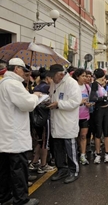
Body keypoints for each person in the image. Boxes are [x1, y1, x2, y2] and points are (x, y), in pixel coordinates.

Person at [0, 58, 41, 205]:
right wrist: (35, 97)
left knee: (4, 169)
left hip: (5, 134)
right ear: (16, 69)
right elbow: (27, 104)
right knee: (18, 169)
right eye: (24, 70)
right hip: (14, 134)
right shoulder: (13, 84)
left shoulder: (3, 83)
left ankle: (4, 197)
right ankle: (21, 200)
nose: (25, 73)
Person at [47, 64, 81, 184]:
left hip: (67, 122)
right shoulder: (54, 83)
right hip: (56, 121)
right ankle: (62, 169)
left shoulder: (71, 84)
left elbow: (75, 102)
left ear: (61, 75)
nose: (52, 79)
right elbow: (52, 96)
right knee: (58, 148)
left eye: (53, 77)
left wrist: (58, 104)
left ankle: (74, 171)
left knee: (70, 149)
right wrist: (49, 101)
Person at [90, 69, 108, 164]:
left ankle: (107, 153)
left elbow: (106, 99)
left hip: (106, 109)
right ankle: (98, 154)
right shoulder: (95, 84)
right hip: (99, 110)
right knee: (98, 132)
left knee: (106, 131)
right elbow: (93, 98)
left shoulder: (102, 85)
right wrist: (106, 97)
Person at [72, 69, 92, 165]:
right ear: (77, 77)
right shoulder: (72, 87)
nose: (85, 78)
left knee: (83, 135)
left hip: (85, 115)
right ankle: (75, 152)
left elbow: (91, 100)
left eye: (86, 76)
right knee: (75, 136)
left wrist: (89, 104)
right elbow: (69, 101)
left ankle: (83, 155)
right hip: (74, 116)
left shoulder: (87, 87)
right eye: (83, 76)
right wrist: (80, 102)